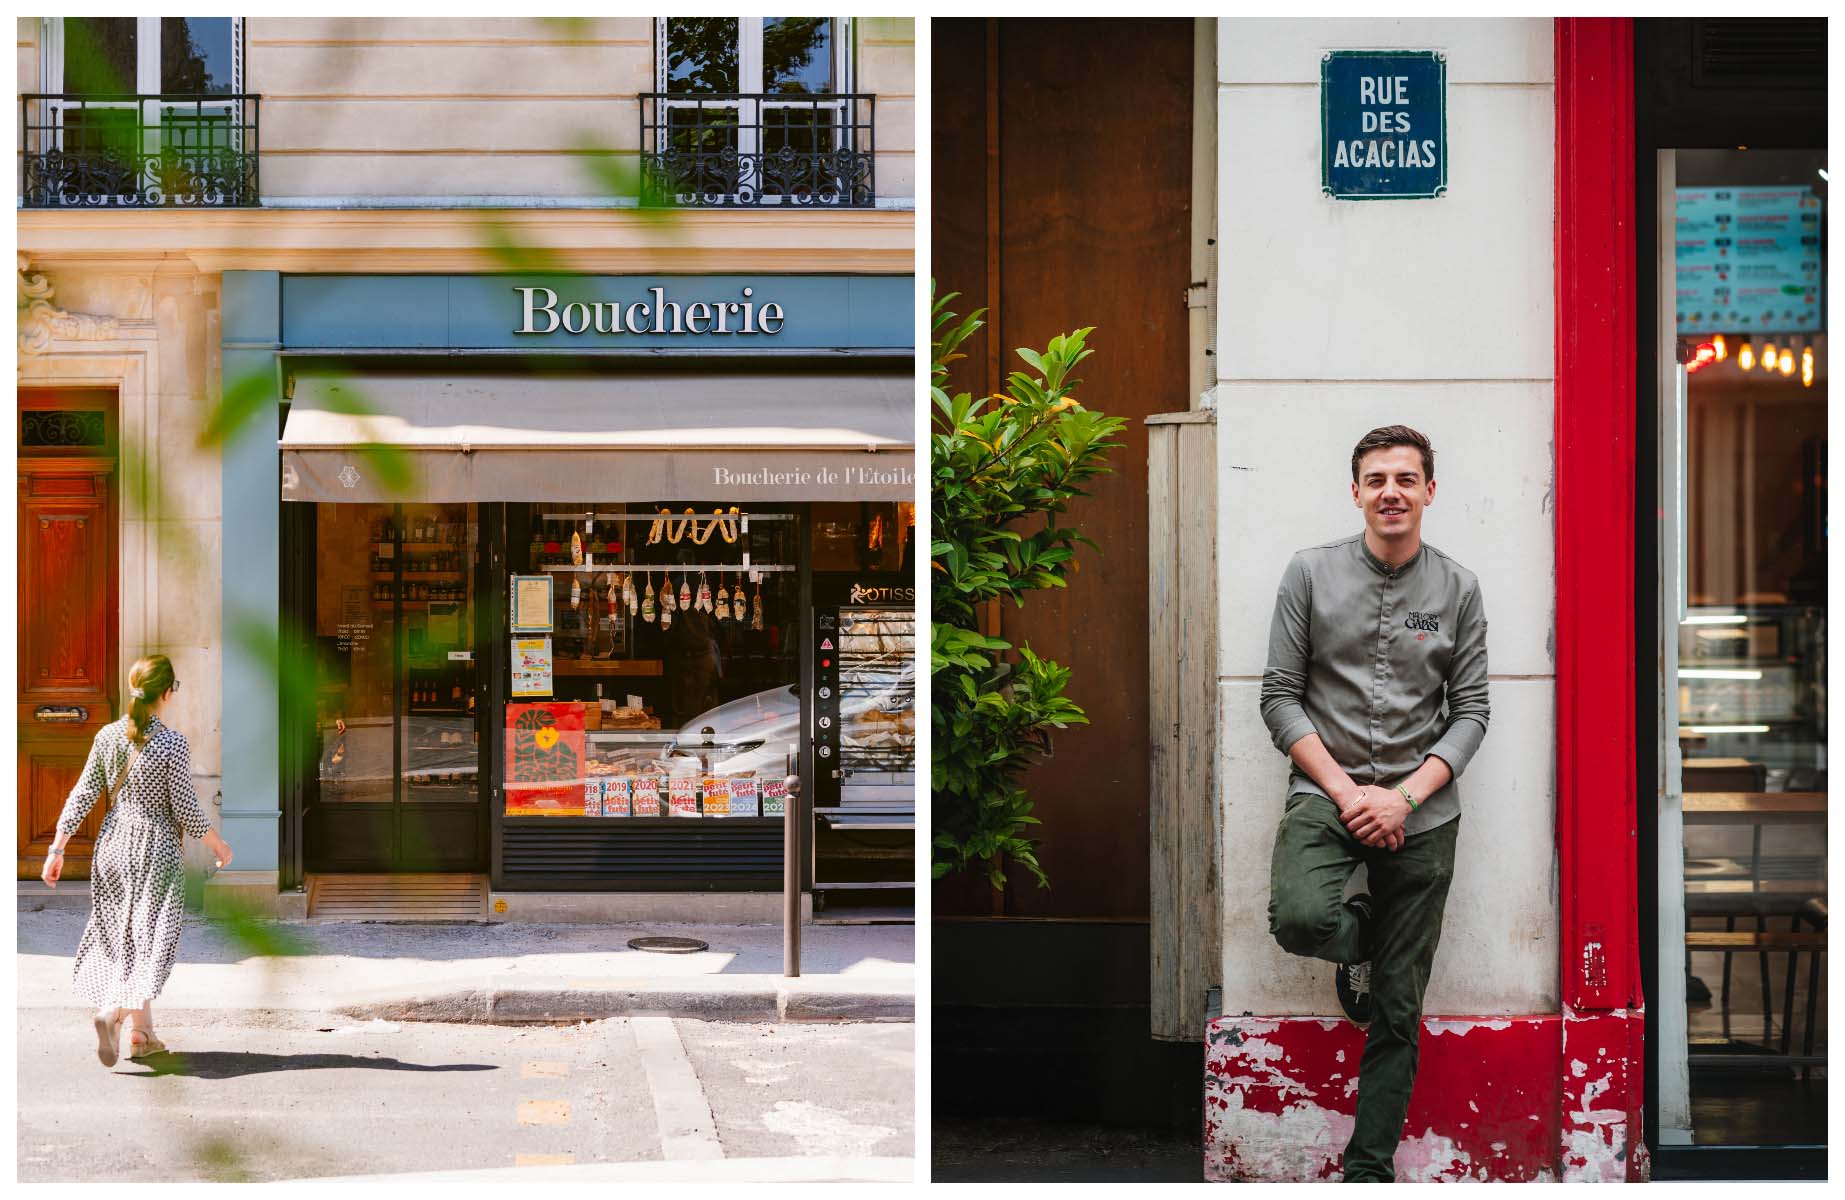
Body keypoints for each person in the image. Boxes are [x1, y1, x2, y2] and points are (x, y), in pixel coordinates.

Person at [1258, 425, 1490, 1182]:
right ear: (1355, 491)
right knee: (1300, 920)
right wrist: (1349, 793)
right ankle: (1362, 941)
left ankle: (1367, 1171)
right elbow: (1278, 697)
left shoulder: (1458, 589)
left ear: (1429, 491)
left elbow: (1472, 712)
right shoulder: (1309, 573)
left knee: (1396, 1005)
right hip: (1325, 791)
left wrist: (1403, 798)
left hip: (1421, 812)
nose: (1391, 492)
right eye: (1377, 479)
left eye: (1406, 479)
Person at [41, 655, 233, 1067]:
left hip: (112, 848)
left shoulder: (107, 737)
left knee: (126, 941)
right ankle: (115, 1014)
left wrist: (57, 849)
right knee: (153, 943)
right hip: (156, 850)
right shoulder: (171, 743)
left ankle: (142, 1035)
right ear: (166, 693)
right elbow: (186, 810)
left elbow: (82, 794)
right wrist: (219, 846)